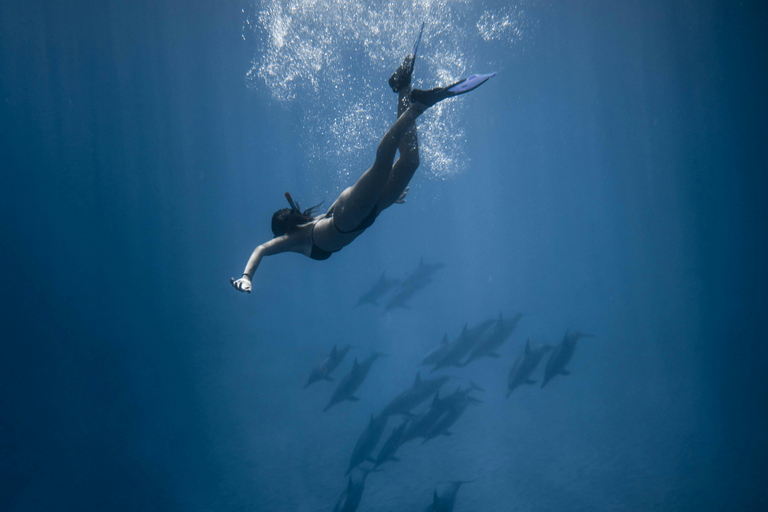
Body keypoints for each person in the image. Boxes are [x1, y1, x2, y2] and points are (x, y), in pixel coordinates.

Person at [231, 27, 495, 293]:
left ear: (281, 231)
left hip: (350, 216)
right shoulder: (306, 227)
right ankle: (404, 88)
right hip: (369, 211)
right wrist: (386, 195)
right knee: (411, 160)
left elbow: (261, 249)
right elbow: (330, 211)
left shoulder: (290, 239)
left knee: (383, 162)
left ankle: (420, 106)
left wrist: (247, 276)